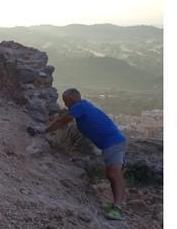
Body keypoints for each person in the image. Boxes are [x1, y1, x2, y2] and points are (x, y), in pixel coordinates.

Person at [33, 88, 128, 220]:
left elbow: (62, 121)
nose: (65, 104)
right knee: (112, 175)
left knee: (114, 174)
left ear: (72, 99)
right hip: (111, 143)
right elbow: (63, 117)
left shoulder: (79, 107)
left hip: (113, 142)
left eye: (66, 101)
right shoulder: (83, 106)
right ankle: (116, 206)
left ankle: (117, 209)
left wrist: (44, 131)